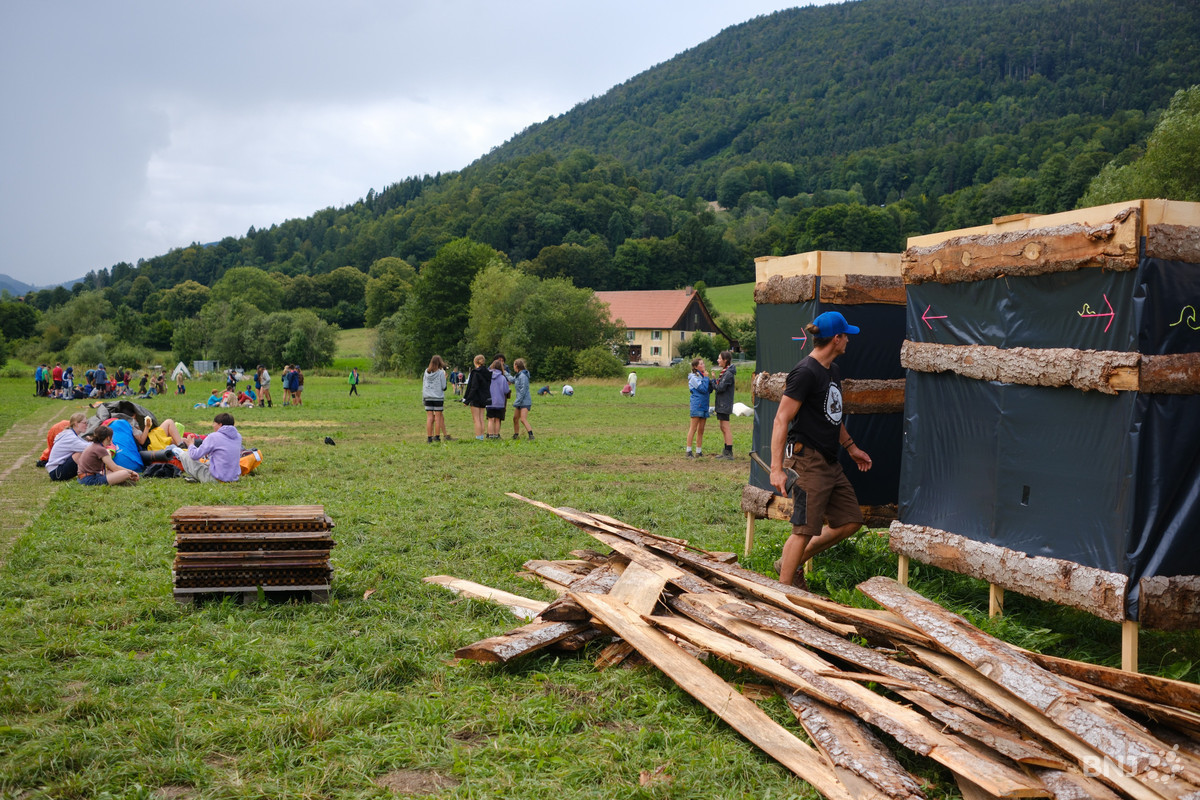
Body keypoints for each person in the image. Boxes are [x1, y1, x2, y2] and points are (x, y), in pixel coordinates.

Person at [769, 311, 873, 590]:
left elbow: (832, 416)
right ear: (835, 339)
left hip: (829, 461)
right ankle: (783, 592)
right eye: (845, 336)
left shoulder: (832, 371)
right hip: (806, 461)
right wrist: (777, 469)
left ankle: (789, 563)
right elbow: (781, 419)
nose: (849, 340)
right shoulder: (805, 372)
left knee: (850, 519)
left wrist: (851, 447)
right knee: (803, 528)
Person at [171, 412, 242, 483]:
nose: (213, 425)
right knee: (208, 462)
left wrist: (190, 445)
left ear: (220, 424)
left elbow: (194, 455)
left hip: (216, 479)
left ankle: (199, 477)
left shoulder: (214, 436)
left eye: (214, 423)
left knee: (184, 455)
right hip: (233, 478)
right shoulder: (238, 436)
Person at [45, 413, 90, 481]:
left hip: (56, 470)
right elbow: (88, 447)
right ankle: (90, 474)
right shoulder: (70, 437)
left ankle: (89, 473)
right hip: (56, 473)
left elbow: (85, 444)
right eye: (85, 423)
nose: (87, 425)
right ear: (76, 424)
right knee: (80, 454)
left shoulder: (70, 433)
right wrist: (100, 442)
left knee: (82, 452)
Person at [686, 357, 713, 458]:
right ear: (695, 367)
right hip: (697, 404)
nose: (703, 365)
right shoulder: (693, 378)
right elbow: (702, 389)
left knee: (701, 429)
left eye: (703, 363)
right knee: (693, 428)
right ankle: (688, 451)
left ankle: (698, 451)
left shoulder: (703, 376)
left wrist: (711, 380)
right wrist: (706, 379)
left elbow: (709, 390)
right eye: (700, 364)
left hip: (704, 404)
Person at [712, 350, 737, 460]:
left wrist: (713, 381)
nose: (718, 360)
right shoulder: (725, 372)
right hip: (722, 404)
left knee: (726, 428)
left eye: (719, 358)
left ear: (725, 360)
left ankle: (728, 452)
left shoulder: (728, 374)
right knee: (723, 427)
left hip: (724, 404)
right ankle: (726, 450)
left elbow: (720, 388)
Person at [423, 355, 451, 443]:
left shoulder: (426, 372)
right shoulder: (440, 373)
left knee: (429, 418)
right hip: (438, 397)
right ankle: (437, 436)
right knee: (438, 418)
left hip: (428, 397)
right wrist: (445, 378)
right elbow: (444, 387)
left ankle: (429, 438)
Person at [463, 354, 491, 440]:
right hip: (484, 397)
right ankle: (481, 436)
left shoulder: (475, 373)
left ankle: (479, 437)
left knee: (476, 419)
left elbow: (473, 387)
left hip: (476, 398)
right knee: (481, 418)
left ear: (475, 362)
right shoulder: (488, 372)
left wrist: (467, 400)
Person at [485, 358, 511, 439]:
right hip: (500, 402)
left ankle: (490, 435)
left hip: (489, 401)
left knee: (490, 419)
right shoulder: (503, 378)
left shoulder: (487, 377)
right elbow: (506, 390)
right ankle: (496, 435)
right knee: (497, 419)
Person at [511, 358, 533, 440]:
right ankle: (516, 435)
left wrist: (518, 401)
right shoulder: (518, 375)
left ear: (516, 366)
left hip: (525, 401)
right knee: (515, 418)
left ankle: (531, 435)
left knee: (523, 419)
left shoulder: (523, 376)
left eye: (514, 365)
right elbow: (512, 380)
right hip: (519, 401)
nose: (513, 367)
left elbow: (523, 390)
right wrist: (504, 371)